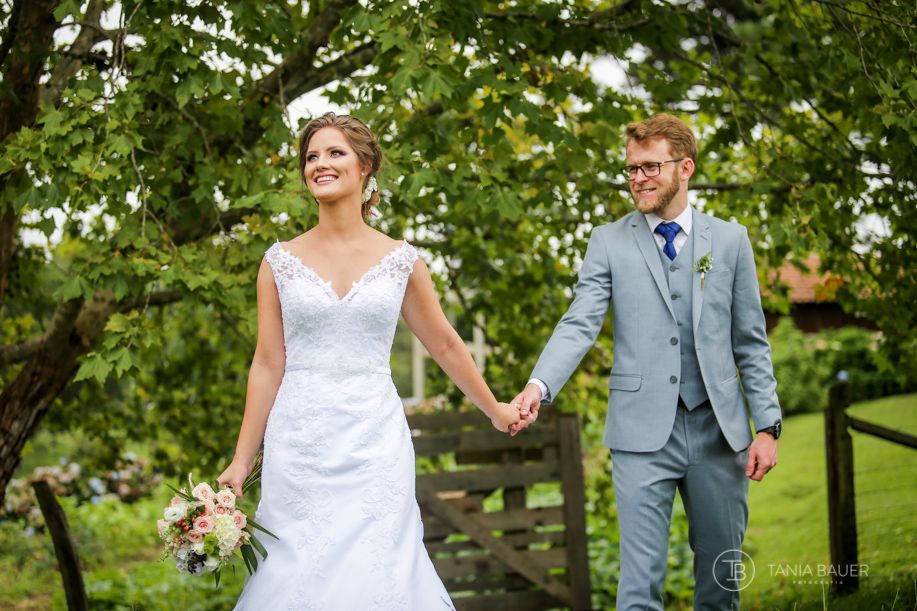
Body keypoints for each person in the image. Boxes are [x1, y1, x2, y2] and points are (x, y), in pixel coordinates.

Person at [217, 112, 523, 610]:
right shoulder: (278, 262)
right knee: (297, 568)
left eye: (334, 153)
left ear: (365, 166)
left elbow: (445, 345)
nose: (320, 164)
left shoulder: (403, 260)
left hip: (375, 441)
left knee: (381, 566)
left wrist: (495, 410)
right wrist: (241, 460)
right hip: (300, 443)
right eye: (311, 157)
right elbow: (268, 364)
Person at [512, 113, 782, 610]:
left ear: (685, 168)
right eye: (632, 169)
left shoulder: (730, 240)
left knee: (721, 585)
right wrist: (538, 386)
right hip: (639, 434)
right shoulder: (607, 241)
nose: (638, 178)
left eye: (650, 167)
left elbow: (750, 341)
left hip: (719, 432)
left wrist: (767, 426)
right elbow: (579, 323)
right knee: (638, 591)